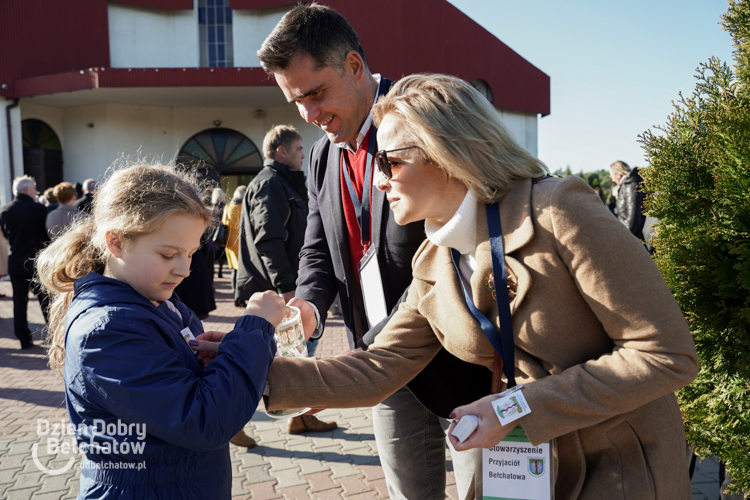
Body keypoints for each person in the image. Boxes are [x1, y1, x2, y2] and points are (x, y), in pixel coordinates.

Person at [248, 74, 700, 499]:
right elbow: (381, 366)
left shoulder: (559, 210)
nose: (379, 177)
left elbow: (665, 355)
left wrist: (514, 408)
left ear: (446, 150)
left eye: (391, 160)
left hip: (619, 466)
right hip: (524, 468)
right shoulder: (432, 259)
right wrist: (243, 366)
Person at [256, 5, 478, 498]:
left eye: (315, 93)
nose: (310, 114)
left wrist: (362, 360)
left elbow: (455, 250)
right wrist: (308, 309)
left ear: (355, 66)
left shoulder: (424, 120)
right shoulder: (318, 153)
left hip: (462, 358)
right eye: (296, 102)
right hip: (379, 368)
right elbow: (318, 248)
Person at [35, 163, 286, 499]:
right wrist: (256, 327)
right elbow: (204, 421)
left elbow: (187, 392)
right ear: (116, 242)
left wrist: (224, 357)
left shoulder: (157, 302)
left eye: (192, 253)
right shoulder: (108, 329)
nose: (184, 269)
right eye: (168, 254)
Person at [234, 124, 336, 436]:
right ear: (281, 152)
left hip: (283, 287)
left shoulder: (283, 182)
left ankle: (300, 415)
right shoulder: (270, 184)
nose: (303, 154)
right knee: (264, 363)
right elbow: (269, 241)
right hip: (274, 291)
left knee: (294, 358)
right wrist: (287, 287)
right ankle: (233, 418)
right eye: (298, 149)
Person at [0, 175, 51, 349]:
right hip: (36, 263)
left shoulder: (5, 210)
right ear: (27, 190)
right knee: (45, 301)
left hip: (15, 263)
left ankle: (23, 339)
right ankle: (52, 334)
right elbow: (46, 236)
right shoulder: (38, 209)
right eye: (35, 188)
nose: (37, 192)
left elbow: (7, 236)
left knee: (19, 304)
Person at [609, 160, 646, 240]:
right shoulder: (626, 186)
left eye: (612, 176)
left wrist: (625, 237)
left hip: (637, 238)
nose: (612, 180)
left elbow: (633, 218)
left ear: (618, 175)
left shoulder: (631, 186)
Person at [221, 185, 246, 302]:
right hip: (241, 241)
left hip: (230, 241)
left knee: (234, 270)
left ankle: (235, 294)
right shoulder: (243, 207)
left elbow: (224, 222)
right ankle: (240, 297)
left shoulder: (228, 206)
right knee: (241, 270)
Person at [210, 187, 227, 279]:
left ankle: (213, 274)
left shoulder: (212, 207)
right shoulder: (226, 206)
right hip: (223, 232)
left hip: (213, 233)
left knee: (211, 256)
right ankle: (220, 270)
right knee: (222, 253)